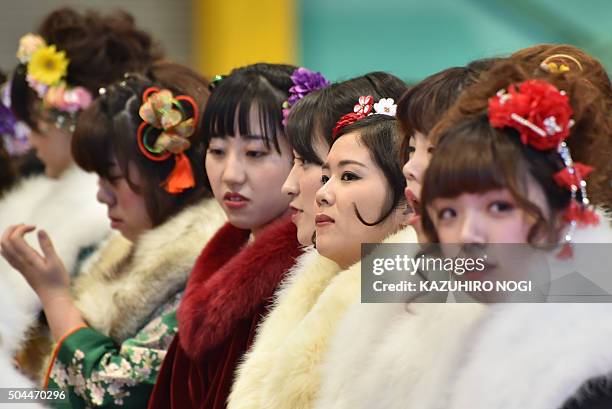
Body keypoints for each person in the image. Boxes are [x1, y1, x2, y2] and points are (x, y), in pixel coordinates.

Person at [0, 61, 226, 408]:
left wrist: (54, 295)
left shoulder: (204, 267)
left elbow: (115, 393)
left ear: (167, 174)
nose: (101, 195)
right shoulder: (126, 246)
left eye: (113, 179)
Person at [418, 60, 612, 409]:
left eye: (499, 207)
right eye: (448, 213)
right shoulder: (466, 340)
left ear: (561, 215)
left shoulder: (591, 374)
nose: (468, 235)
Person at [313, 62, 495, 409]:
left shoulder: (554, 285)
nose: (410, 167)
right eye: (411, 150)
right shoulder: (394, 279)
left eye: (434, 148)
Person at [228, 74, 409, 409]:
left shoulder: (417, 307)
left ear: (408, 196)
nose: (323, 193)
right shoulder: (315, 287)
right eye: (325, 176)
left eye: (349, 176)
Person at [0, 8, 161, 374]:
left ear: (66, 115)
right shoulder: (45, 201)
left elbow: (102, 374)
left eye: (36, 121)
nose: (29, 136)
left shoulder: (104, 216)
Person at [147, 63, 303, 409]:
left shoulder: (313, 267)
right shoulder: (223, 253)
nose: (231, 174)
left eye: (255, 153)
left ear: (303, 156)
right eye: (217, 151)